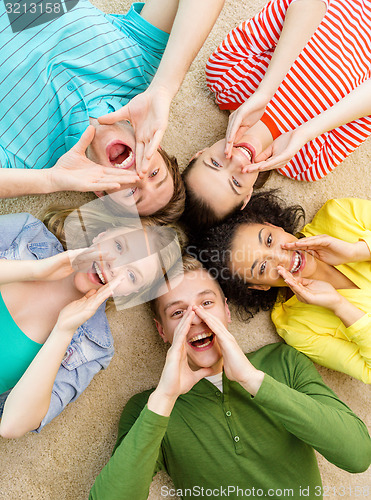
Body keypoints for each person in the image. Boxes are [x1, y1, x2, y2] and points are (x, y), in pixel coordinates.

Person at [89, 257, 371, 500]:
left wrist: (253, 380)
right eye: (178, 313)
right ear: (162, 331)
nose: (196, 318)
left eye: (206, 303)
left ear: (226, 311)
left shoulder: (284, 362)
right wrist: (164, 399)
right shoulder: (147, 409)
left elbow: (358, 455)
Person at [0, 0, 224, 222]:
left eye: (131, 193)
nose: (140, 177)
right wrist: (164, 88)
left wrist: (51, 180)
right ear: (157, 147)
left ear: (101, 193)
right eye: (155, 174)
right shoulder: (140, 65)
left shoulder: (26, 161)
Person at [182, 0, 371, 229]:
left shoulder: (225, 77)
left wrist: (264, 92)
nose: (238, 161)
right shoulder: (308, 165)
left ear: (198, 154)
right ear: (246, 197)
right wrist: (306, 132)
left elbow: (311, 4)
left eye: (215, 162)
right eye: (235, 182)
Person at [0, 202, 182, 438]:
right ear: (102, 235)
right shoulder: (27, 232)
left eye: (131, 275)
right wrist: (37, 270)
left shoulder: (94, 348)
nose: (115, 267)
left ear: (130, 294)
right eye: (119, 246)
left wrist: (63, 331)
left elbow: (11, 425)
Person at [194, 193, 371, 383]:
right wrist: (340, 306)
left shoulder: (339, 215)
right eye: (262, 267)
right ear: (260, 286)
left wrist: (356, 251)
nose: (281, 257)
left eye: (269, 240)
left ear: (272, 225)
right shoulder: (296, 327)